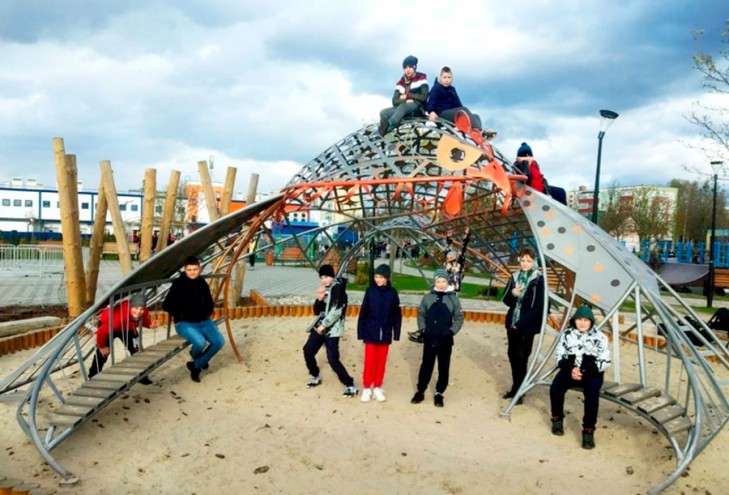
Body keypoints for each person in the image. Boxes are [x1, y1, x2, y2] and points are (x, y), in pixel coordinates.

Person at [549, 305, 611, 449]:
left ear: (591, 322)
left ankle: (588, 430)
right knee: (556, 387)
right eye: (579, 319)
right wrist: (571, 369)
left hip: (592, 372)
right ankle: (557, 419)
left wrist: (584, 371)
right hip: (571, 369)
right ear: (574, 320)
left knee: (592, 394)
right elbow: (560, 355)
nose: (582, 323)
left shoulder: (600, 337)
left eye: (586, 320)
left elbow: (605, 361)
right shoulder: (567, 334)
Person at [162, 255, 225, 383]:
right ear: (185, 270)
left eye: (195, 269)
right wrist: (181, 314)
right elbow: (166, 305)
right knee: (200, 343)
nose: (192, 272)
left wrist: (207, 312)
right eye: (189, 270)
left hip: (204, 320)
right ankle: (200, 360)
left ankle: (196, 365)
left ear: (199, 269)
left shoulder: (202, 283)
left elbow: (209, 302)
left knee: (219, 342)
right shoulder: (178, 284)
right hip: (185, 323)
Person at [410, 268, 464, 407]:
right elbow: (421, 314)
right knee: (426, 365)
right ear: (435, 282)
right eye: (438, 281)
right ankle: (420, 390)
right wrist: (423, 329)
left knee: (443, 367)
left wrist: (451, 331)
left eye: (443, 281)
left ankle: (439, 392)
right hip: (430, 338)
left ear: (447, 282)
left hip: (445, 340)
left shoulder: (453, 299)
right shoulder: (428, 298)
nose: (441, 284)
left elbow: (459, 318)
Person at [303, 264, 358, 397]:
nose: (324, 280)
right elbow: (317, 311)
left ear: (332, 276)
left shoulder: (339, 289)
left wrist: (324, 325)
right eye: (322, 277)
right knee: (308, 350)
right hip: (320, 327)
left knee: (332, 359)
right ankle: (315, 375)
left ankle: (350, 385)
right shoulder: (326, 289)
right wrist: (319, 298)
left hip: (332, 329)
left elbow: (336, 311)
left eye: (326, 277)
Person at [501, 247, 545, 403]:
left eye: (529, 261)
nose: (525, 263)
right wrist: (513, 294)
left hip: (526, 325)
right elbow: (506, 299)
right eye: (523, 260)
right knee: (512, 356)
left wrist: (521, 323)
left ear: (534, 262)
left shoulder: (538, 279)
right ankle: (515, 388)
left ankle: (519, 391)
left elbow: (539, 306)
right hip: (512, 322)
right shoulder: (515, 277)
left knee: (521, 357)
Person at [88, 293, 159, 383]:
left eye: (141, 309)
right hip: (109, 325)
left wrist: (150, 325)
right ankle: (93, 375)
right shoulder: (118, 319)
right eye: (136, 308)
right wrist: (102, 347)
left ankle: (142, 375)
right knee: (103, 354)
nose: (138, 312)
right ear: (131, 306)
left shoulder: (144, 311)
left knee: (138, 350)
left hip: (128, 327)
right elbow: (101, 332)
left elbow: (143, 320)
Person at [357, 264, 402, 402]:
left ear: (387, 278)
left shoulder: (392, 293)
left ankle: (377, 386)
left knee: (381, 362)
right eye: (376, 277)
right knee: (369, 361)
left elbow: (397, 314)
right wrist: (361, 332)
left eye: (381, 277)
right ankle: (366, 388)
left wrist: (396, 333)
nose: (378, 279)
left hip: (385, 333)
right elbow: (363, 312)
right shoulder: (370, 291)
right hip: (370, 332)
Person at [378, 55, 429, 136]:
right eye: (405, 67)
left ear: (415, 67)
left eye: (410, 67)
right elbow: (394, 101)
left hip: (417, 108)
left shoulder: (421, 79)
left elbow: (423, 97)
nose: (407, 70)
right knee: (383, 113)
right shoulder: (400, 83)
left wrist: (407, 95)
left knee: (403, 106)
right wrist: (406, 100)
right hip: (402, 109)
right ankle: (382, 133)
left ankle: (390, 124)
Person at [444, 226, 471, 292]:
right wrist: (448, 236)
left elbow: (463, 245)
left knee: (455, 268)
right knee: (448, 265)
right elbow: (447, 245)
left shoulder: (458, 257)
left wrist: (466, 234)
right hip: (448, 277)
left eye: (451, 257)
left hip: (457, 275)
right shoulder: (448, 256)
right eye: (448, 257)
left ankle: (456, 286)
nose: (449, 257)